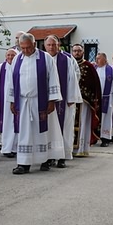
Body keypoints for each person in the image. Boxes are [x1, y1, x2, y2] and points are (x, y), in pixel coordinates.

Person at [7, 33, 61, 174]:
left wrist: (51, 100)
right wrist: (12, 101)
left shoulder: (46, 58)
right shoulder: (18, 59)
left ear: (34, 45)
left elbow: (53, 79)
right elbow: (12, 81)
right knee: (24, 133)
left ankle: (45, 160)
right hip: (23, 101)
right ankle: (23, 163)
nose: (25, 51)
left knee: (42, 132)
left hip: (40, 102)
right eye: (22, 48)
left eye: (28, 48)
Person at [45, 35, 81, 167]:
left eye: (54, 45)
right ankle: (50, 156)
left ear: (58, 45)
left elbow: (73, 78)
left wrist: (71, 97)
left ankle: (63, 157)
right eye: (49, 45)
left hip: (65, 102)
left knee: (65, 129)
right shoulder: (43, 59)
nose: (51, 47)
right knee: (50, 130)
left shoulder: (66, 59)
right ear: (45, 46)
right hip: (48, 101)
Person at [71, 44, 102, 156]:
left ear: (83, 52)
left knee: (83, 124)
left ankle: (82, 149)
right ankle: (70, 148)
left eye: (79, 51)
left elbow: (95, 85)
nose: (77, 53)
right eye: (74, 51)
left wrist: (92, 100)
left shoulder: (89, 66)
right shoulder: (69, 63)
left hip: (85, 102)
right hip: (71, 101)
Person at [95, 52, 113, 146]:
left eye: (99, 58)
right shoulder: (94, 69)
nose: (96, 60)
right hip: (96, 99)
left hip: (107, 98)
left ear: (105, 60)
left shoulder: (111, 71)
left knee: (106, 119)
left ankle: (105, 138)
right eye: (96, 58)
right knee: (96, 118)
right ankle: (94, 137)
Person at [0, 48, 19, 159]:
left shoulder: (19, 66)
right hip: (4, 101)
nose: (10, 57)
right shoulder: (1, 68)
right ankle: (6, 148)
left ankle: (15, 147)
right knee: (7, 124)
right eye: (8, 55)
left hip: (17, 100)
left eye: (13, 55)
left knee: (17, 124)